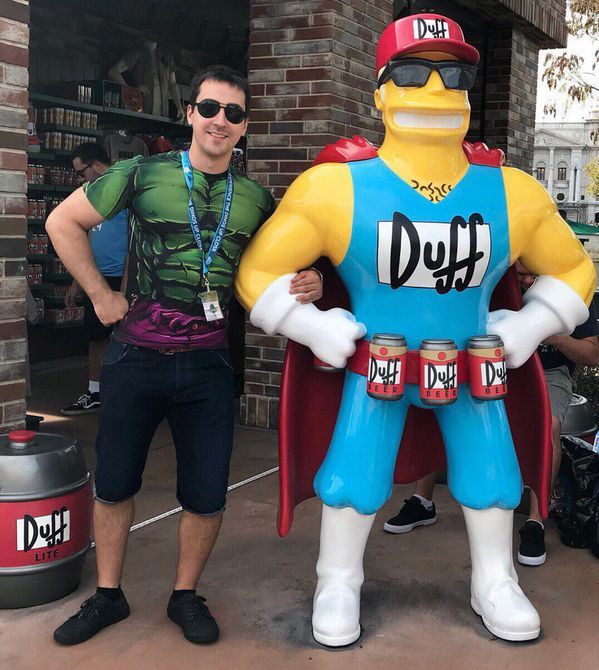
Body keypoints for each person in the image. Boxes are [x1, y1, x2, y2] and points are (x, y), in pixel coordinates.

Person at [234, 13, 594, 645]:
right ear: (380, 91)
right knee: (355, 467)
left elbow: (574, 269)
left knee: (491, 469)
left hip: (475, 364)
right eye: (410, 72)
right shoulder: (336, 186)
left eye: (453, 75)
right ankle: (337, 579)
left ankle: (496, 579)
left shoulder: (510, 191)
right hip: (377, 363)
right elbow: (257, 271)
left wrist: (530, 325)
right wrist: (308, 326)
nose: (433, 89)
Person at [45, 65, 322, 646]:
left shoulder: (256, 200)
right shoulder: (141, 173)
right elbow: (62, 221)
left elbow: (287, 262)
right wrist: (100, 295)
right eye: (210, 108)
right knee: (115, 482)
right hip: (135, 356)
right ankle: (108, 596)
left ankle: (185, 595)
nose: (220, 121)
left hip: (209, 365)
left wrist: (311, 280)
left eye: (233, 114)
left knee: (206, 489)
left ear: (244, 127)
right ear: (190, 113)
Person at [384, 260, 599, 566]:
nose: (526, 280)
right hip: (491, 362)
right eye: (520, 272)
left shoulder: (569, 283)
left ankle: (535, 521)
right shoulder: (494, 276)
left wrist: (557, 337)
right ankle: (423, 500)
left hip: (548, 370)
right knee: (436, 402)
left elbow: (592, 354)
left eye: (533, 274)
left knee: (548, 425)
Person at [61, 143, 128, 416]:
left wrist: (126, 283)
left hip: (119, 276)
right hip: (95, 277)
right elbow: (85, 236)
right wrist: (77, 281)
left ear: (97, 166)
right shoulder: (90, 195)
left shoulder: (124, 189)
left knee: (124, 337)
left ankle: (122, 391)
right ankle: (95, 391)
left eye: (81, 173)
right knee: (95, 337)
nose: (80, 179)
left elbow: (135, 239)